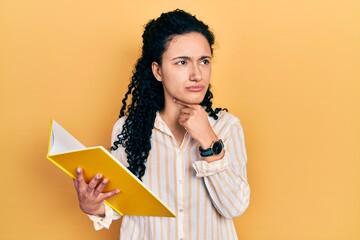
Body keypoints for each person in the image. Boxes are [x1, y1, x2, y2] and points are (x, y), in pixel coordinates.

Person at [73, 9, 250, 239]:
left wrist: (209, 141)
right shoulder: (130, 129)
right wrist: (92, 205)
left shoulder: (227, 127)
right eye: (182, 62)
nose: (197, 74)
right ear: (158, 71)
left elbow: (234, 207)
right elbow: (118, 203)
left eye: (204, 61)